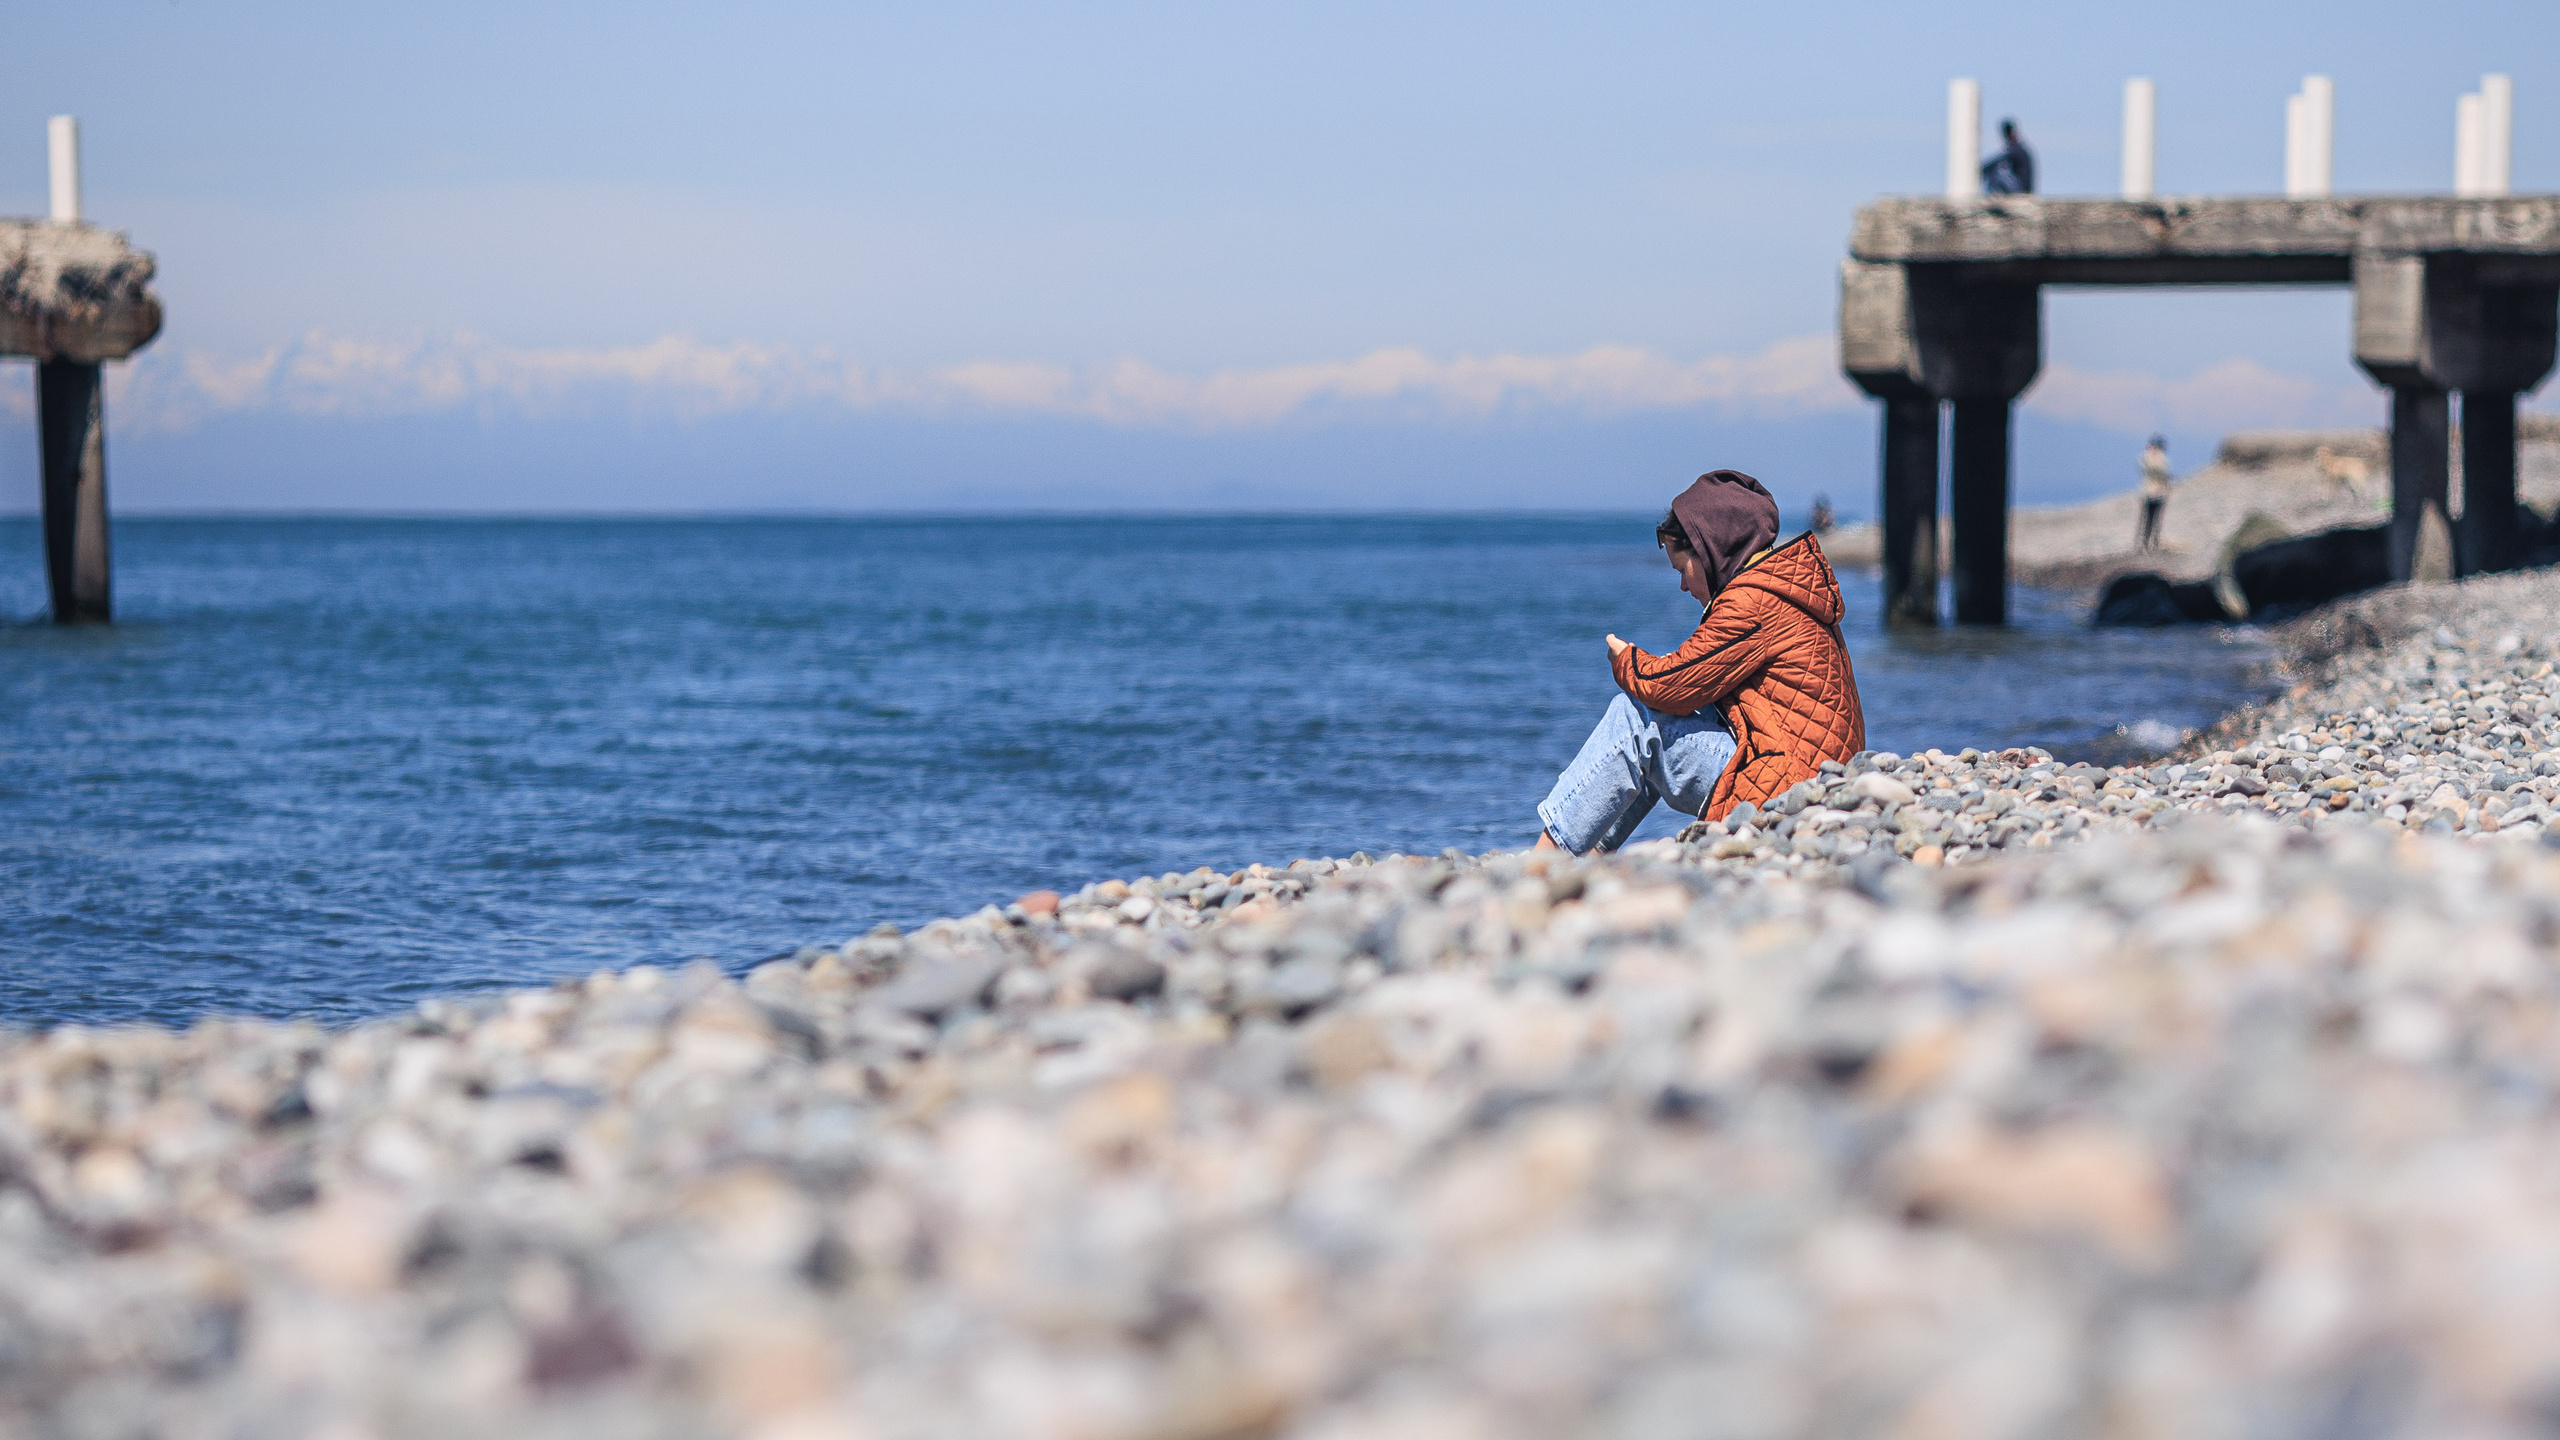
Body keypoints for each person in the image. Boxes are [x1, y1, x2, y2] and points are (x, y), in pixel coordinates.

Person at [1533, 470, 1866, 854]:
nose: (1682, 585)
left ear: (1710, 550)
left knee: (1635, 719)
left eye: (1682, 569)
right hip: (1816, 771)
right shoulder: (1780, 588)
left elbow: (1670, 686)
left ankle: (1546, 858)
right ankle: (1592, 850)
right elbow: (1695, 681)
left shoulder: (1752, 602)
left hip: (1788, 785)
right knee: (1672, 716)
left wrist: (1626, 660)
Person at [1982, 119, 2035, 195]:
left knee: (1996, 175)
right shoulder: (2018, 149)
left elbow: (1996, 161)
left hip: (2022, 189)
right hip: (2023, 187)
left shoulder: (2016, 149)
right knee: (1998, 172)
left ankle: (1994, 196)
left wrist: (1980, 170)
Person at [2137, 435, 2172, 550]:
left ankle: (2151, 542)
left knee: (2153, 519)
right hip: (2152, 491)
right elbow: (2160, 472)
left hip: (2156, 491)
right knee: (2148, 518)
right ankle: (2145, 542)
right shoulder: (2149, 458)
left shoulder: (2151, 457)